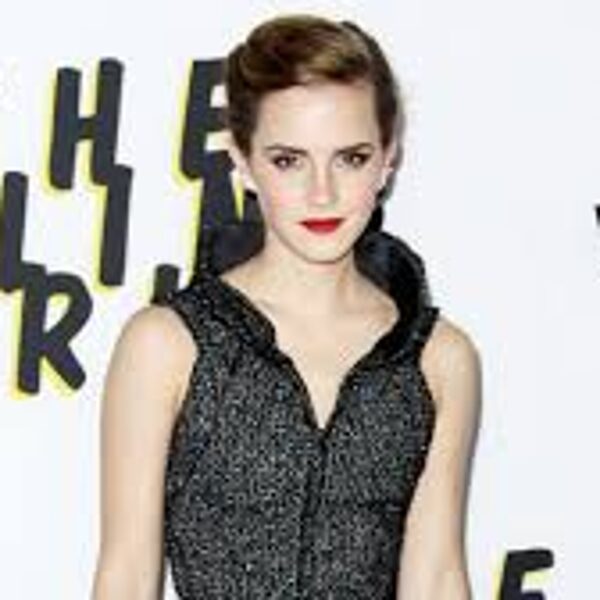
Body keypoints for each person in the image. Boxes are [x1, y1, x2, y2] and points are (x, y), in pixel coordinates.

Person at [92, 13, 481, 600]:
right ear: (242, 161)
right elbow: (125, 576)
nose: (322, 193)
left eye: (351, 158)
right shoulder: (167, 344)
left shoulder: (439, 359)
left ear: (389, 158)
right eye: (288, 160)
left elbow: (438, 578)